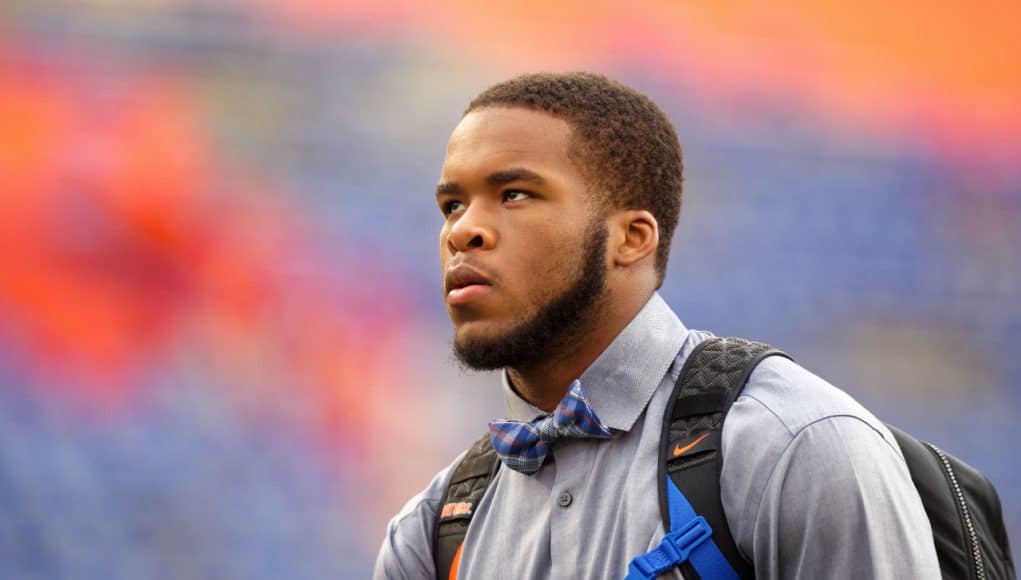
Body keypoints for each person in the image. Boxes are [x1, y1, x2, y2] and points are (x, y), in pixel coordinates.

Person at [373, 72, 940, 579]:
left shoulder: (796, 449)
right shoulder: (431, 533)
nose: (462, 231)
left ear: (632, 238)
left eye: (514, 194)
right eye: (452, 205)